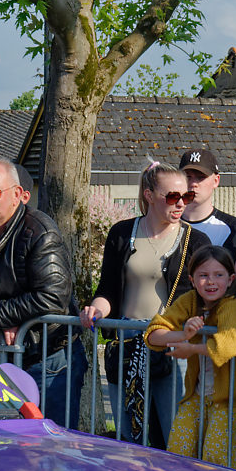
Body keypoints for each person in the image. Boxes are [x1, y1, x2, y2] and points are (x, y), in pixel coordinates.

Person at [0, 158, 87, 426]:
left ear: (17, 194)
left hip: (48, 356)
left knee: (52, 439)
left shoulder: (40, 231)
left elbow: (54, 296)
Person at [82, 163, 198, 445]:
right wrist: (96, 309)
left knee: (175, 437)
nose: (181, 203)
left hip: (172, 346)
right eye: (172, 196)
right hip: (127, 344)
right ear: (149, 195)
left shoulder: (195, 240)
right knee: (128, 436)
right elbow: (108, 290)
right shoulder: (122, 233)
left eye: (186, 196)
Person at [145, 244, 236, 467]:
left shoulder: (234, 306)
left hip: (230, 401)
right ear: (192, 280)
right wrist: (183, 334)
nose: (211, 282)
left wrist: (191, 348)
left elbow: (229, 344)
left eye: (218, 275)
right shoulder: (190, 301)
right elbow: (153, 334)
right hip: (196, 395)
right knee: (178, 451)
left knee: (216, 461)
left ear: (231, 279)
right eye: (203, 275)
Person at [177, 149, 236, 254]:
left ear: (216, 181)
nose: (193, 184)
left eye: (201, 177)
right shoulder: (164, 222)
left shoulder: (231, 227)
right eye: (188, 177)